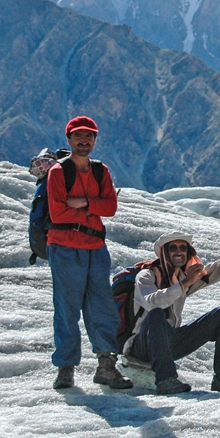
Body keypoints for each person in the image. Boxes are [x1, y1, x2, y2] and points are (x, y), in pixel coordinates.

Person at [47, 116, 132, 390]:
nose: (84, 141)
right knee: (67, 308)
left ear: (94, 140)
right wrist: (95, 206)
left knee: (101, 307)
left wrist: (83, 202)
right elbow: (58, 211)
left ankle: (106, 366)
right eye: (79, 136)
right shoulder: (58, 172)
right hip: (65, 247)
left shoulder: (100, 171)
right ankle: (65, 369)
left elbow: (111, 208)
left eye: (89, 136)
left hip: (95, 248)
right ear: (69, 139)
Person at [123, 226, 220, 395]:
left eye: (183, 248)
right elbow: (153, 302)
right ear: (164, 252)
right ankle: (166, 380)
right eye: (173, 248)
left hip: (169, 342)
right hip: (142, 346)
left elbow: (217, 269)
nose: (179, 252)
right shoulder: (146, 276)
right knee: (156, 314)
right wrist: (184, 284)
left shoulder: (183, 277)